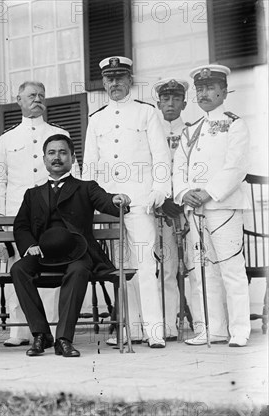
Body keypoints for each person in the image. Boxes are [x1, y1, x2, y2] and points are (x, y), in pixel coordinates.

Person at [11, 134, 130, 357]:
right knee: (18, 269)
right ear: (44, 159)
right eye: (52, 153)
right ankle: (41, 334)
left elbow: (104, 200)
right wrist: (30, 245)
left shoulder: (86, 188)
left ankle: (63, 339)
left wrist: (116, 200)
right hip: (43, 254)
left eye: (63, 152)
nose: (57, 157)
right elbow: (21, 226)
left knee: (79, 270)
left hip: (78, 252)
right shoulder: (32, 194)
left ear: (73, 158)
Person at [82, 56, 171, 348]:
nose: (115, 83)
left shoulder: (146, 113)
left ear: (130, 80)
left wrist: (160, 189)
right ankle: (130, 328)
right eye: (109, 78)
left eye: (120, 77)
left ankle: (154, 329)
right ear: (103, 82)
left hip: (141, 199)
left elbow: (161, 155)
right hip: (109, 202)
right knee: (121, 267)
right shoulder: (97, 119)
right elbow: (90, 164)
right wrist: (89, 199)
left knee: (146, 264)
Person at [173, 65, 251, 347]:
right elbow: (178, 168)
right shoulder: (191, 130)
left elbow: (236, 166)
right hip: (195, 210)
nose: (204, 94)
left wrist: (208, 192)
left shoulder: (234, 123)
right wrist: (184, 193)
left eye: (210, 88)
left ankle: (240, 329)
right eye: (200, 89)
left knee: (231, 269)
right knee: (203, 271)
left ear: (223, 91)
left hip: (223, 206)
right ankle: (212, 329)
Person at [0, 81, 71, 347]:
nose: (37, 100)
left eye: (41, 96)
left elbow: (73, 173)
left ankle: (53, 329)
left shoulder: (59, 133)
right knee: (18, 268)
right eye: (31, 95)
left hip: (54, 214)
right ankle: (20, 331)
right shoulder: (7, 139)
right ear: (19, 101)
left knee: (52, 269)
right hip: (17, 214)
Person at [153, 78, 202, 340]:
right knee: (168, 267)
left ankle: (203, 323)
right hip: (164, 209)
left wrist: (183, 198)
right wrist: (163, 200)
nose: (170, 103)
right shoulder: (152, 130)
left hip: (188, 207)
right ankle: (169, 324)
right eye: (165, 99)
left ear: (184, 102)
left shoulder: (193, 130)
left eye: (176, 99)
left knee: (194, 266)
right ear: (158, 102)